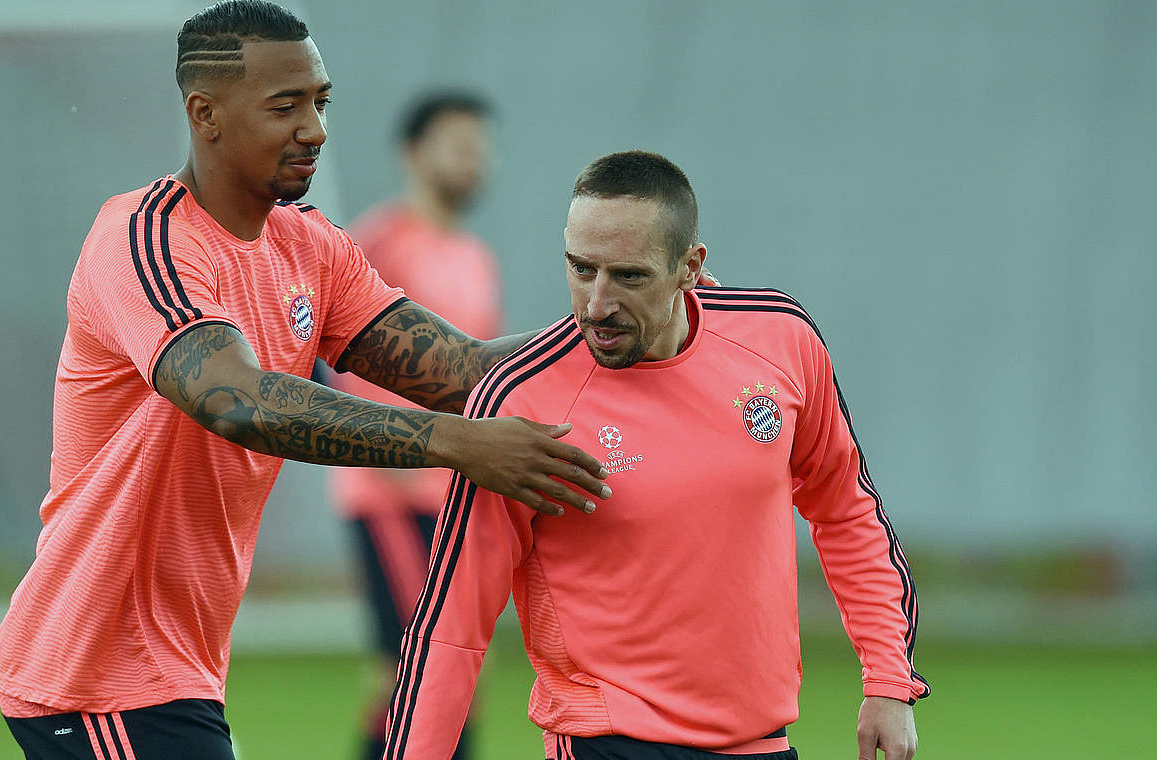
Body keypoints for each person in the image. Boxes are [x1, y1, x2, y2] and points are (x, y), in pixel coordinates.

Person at [0, 3, 610, 758]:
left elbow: (466, 370)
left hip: (172, 672)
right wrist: (459, 444)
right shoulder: (142, 238)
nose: (314, 128)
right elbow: (236, 401)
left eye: (320, 102)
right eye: (286, 106)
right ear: (205, 114)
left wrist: (620, 320)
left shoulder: (311, 248)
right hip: (93, 670)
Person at [383, 151, 929, 760]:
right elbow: (451, 624)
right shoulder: (523, 398)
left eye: (629, 276)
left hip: (761, 744)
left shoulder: (780, 340)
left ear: (690, 266)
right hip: (607, 742)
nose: (597, 303)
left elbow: (846, 510)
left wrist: (888, 680)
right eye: (581, 269)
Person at [331, 90, 502, 760]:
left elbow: (480, 383)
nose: (475, 160)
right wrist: (384, 467)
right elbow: (333, 357)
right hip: (394, 497)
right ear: (412, 153)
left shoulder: (475, 258)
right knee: (425, 671)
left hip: (458, 495)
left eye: (481, 147)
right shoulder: (379, 243)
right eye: (459, 144)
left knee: (438, 674)